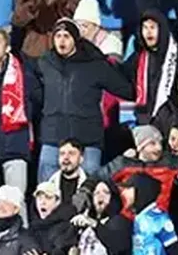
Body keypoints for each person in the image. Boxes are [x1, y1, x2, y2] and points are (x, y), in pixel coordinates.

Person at [35, 19, 133, 179]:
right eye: (58, 36)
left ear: (75, 39)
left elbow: (125, 89)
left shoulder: (94, 64)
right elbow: (35, 90)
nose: (61, 40)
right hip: (53, 134)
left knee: (89, 182)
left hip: (87, 135)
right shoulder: (45, 62)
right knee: (47, 185)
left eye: (66, 36)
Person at [0, 28, 39, 208]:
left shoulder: (23, 75)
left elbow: (36, 102)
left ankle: (22, 235)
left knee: (16, 202)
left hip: (15, 146)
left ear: (7, 47)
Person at [71, 178, 132, 255]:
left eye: (105, 192)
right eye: (96, 193)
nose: (101, 195)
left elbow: (117, 246)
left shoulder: (120, 221)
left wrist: (94, 224)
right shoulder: (87, 225)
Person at [124, 173, 178, 255]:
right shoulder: (135, 218)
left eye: (128, 189)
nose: (124, 193)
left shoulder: (159, 219)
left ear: (141, 191)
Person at [27, 181, 77, 255]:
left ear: (57, 202)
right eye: (39, 197)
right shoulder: (31, 229)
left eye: (48, 198)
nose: (42, 202)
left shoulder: (66, 229)